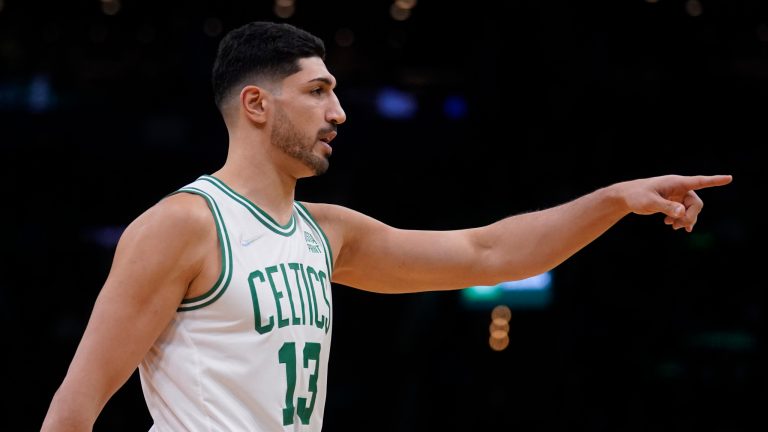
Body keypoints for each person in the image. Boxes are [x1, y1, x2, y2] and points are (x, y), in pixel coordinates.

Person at [41, 21, 732, 432]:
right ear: (255, 104)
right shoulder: (182, 226)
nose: (339, 111)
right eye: (318, 91)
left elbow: (488, 252)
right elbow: (71, 414)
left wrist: (613, 199)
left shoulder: (326, 232)